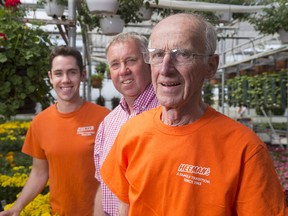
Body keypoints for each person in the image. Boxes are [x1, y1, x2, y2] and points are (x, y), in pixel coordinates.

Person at [100, 14, 288, 215]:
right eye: (156, 55)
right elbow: (125, 205)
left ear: (211, 66)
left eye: (182, 54)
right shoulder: (132, 131)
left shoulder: (245, 149)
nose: (165, 68)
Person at [0, 46, 110, 216]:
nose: (65, 79)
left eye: (72, 72)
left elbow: (117, 173)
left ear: (82, 75)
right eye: (58, 73)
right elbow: (39, 173)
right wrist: (17, 206)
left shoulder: (105, 118)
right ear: (50, 77)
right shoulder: (40, 123)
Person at [93, 32, 158, 216]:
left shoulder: (169, 113)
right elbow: (103, 184)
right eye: (115, 64)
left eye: (130, 60)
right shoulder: (108, 122)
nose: (123, 70)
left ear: (149, 62)